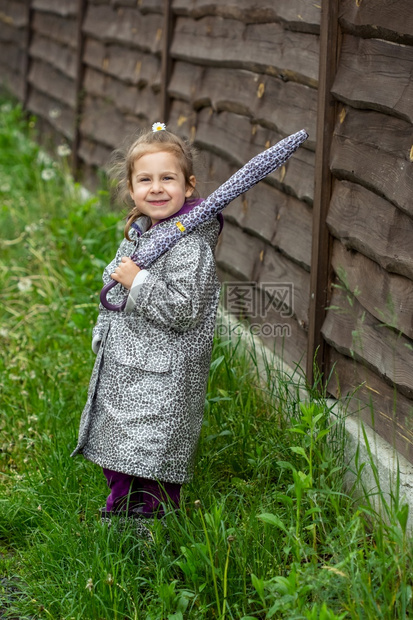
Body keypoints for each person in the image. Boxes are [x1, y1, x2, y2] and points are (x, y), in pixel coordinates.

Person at [71, 122, 223, 524]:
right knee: (118, 456)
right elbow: (113, 292)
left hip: (161, 381)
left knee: (150, 461)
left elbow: (184, 309)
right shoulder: (141, 234)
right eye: (145, 179)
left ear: (188, 187)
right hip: (124, 370)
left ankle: (148, 536)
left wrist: (138, 280)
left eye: (167, 178)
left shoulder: (191, 246)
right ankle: (120, 523)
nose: (156, 188)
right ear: (132, 187)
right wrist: (102, 334)